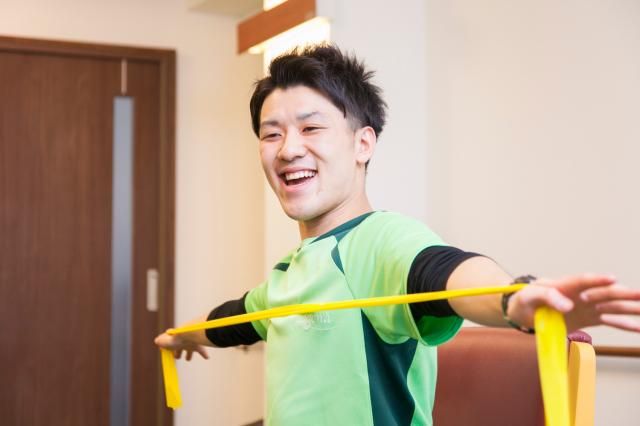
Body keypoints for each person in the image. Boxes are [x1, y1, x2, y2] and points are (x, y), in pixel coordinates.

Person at [155, 44, 640, 425]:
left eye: (311, 128)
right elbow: (236, 318)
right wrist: (180, 337)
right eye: (271, 133)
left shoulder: (381, 240)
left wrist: (513, 299)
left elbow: (442, 271)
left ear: (362, 144)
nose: (287, 150)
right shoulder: (291, 271)